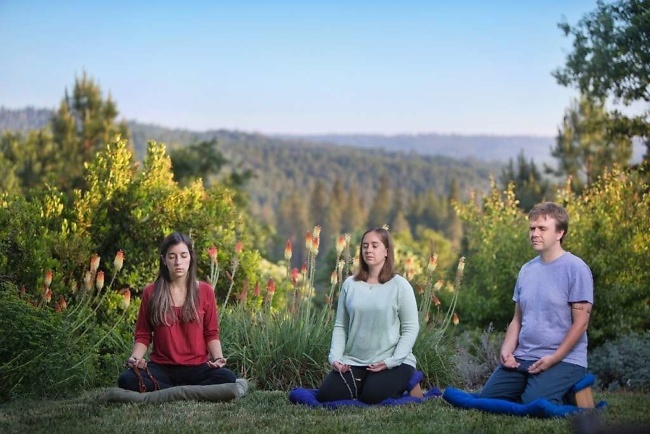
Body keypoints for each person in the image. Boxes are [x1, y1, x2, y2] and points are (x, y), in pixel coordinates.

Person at [478, 202, 594, 405]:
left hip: (564, 360)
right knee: (487, 398)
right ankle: (536, 385)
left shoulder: (576, 269)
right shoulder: (526, 270)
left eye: (542, 228)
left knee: (533, 402)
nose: (534, 233)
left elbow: (581, 324)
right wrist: (507, 350)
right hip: (524, 356)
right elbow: (517, 319)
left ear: (559, 233)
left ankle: (565, 389)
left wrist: (555, 358)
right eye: (532, 228)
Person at [117, 232, 237, 392]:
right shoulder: (151, 292)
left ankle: (168, 390)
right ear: (164, 260)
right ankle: (186, 390)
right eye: (172, 256)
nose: (178, 262)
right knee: (126, 380)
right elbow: (143, 334)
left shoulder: (205, 291)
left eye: (183, 255)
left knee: (228, 378)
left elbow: (211, 333)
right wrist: (135, 358)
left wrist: (218, 358)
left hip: (197, 368)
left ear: (191, 258)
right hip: (161, 369)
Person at [316, 227, 420, 404]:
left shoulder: (400, 285)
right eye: (365, 246)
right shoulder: (350, 284)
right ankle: (367, 383)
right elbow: (341, 326)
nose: (368, 250)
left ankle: (412, 380)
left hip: (392, 361)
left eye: (374, 245)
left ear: (386, 251)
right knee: (326, 396)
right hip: (355, 361)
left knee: (372, 397)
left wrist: (392, 361)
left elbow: (411, 328)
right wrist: (335, 358)